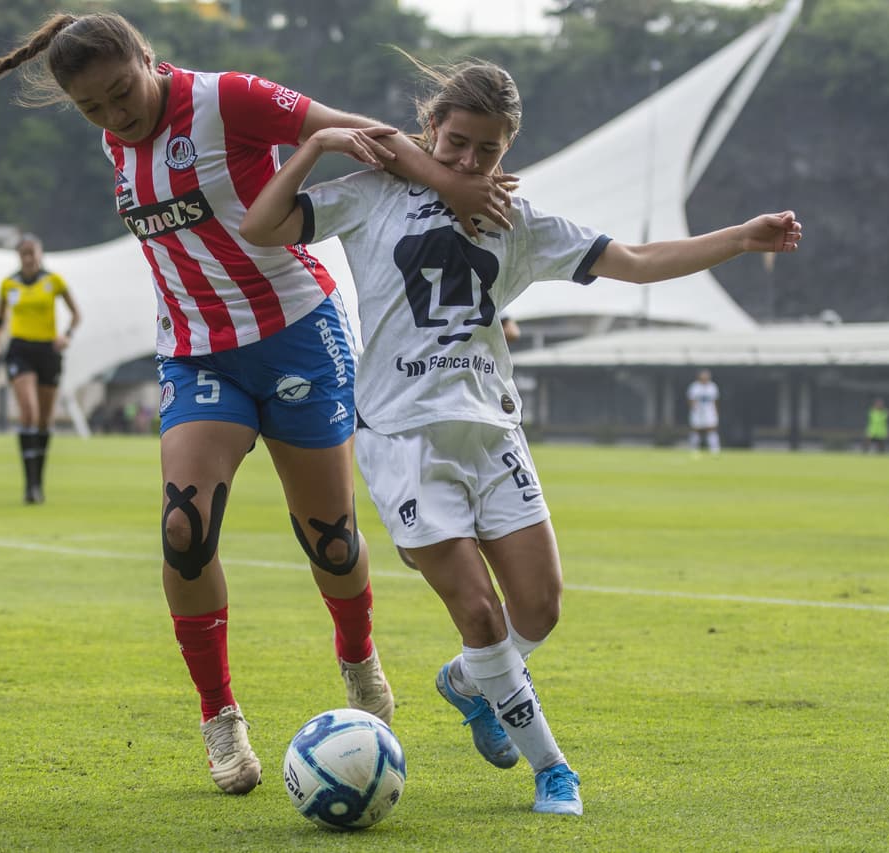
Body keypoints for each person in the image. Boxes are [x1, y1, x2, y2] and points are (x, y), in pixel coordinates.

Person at [0, 11, 517, 796]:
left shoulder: (226, 99)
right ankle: (220, 717)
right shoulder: (114, 139)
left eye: (120, 92)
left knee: (330, 540)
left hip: (299, 334)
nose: (113, 115)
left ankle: (358, 654)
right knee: (184, 528)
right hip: (198, 350)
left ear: (148, 58)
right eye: (92, 107)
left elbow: (363, 133)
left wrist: (455, 184)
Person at [240, 55, 802, 815]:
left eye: (489, 150)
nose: (470, 160)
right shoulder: (374, 194)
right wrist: (315, 147)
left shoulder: (521, 219)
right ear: (431, 127)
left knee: (539, 609)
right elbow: (261, 225)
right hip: (403, 437)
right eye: (458, 141)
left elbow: (633, 262)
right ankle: (554, 769)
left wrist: (740, 237)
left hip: (492, 431)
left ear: (508, 150)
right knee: (480, 613)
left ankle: (471, 682)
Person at [0, 234, 81, 505]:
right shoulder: (9, 284)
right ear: (19, 256)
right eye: (24, 253)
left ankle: (38, 482)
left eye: (33, 252)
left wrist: (67, 335)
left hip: (48, 351)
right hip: (20, 349)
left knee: (44, 420)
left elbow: (76, 313)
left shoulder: (54, 282)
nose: (29, 258)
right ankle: (29, 485)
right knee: (28, 412)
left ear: (40, 253)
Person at [687, 369, 721, 454]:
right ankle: (694, 449)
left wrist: (715, 411)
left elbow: (715, 400)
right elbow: (691, 399)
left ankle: (714, 449)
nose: (704, 378)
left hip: (709, 412)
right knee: (696, 430)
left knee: (711, 429)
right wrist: (694, 409)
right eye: (703, 376)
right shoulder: (694, 387)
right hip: (697, 412)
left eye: (706, 376)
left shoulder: (712, 386)